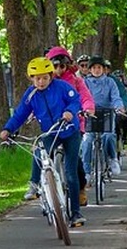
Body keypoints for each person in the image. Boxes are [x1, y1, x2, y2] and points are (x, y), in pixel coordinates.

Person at [0, 57, 86, 228]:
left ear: (51, 76)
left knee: (70, 173)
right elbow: (20, 114)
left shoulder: (62, 87)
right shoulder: (31, 94)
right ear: (31, 78)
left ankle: (75, 213)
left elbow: (75, 100)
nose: (41, 81)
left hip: (69, 131)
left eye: (45, 77)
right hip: (50, 132)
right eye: (37, 78)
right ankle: (35, 184)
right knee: (39, 151)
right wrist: (8, 129)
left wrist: (70, 111)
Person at [45, 46, 94, 206]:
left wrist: (87, 108)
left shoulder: (76, 80)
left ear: (67, 65)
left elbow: (85, 97)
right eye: (55, 66)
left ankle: (80, 188)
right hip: (52, 126)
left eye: (62, 66)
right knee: (45, 157)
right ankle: (45, 187)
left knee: (74, 161)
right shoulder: (45, 82)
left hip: (74, 125)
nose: (59, 70)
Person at [81, 56, 124, 176]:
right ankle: (87, 171)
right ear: (90, 70)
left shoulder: (110, 82)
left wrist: (119, 106)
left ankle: (112, 159)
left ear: (104, 69)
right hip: (90, 114)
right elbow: (82, 98)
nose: (96, 70)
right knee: (87, 140)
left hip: (107, 113)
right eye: (94, 67)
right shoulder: (85, 82)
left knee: (109, 135)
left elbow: (115, 97)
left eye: (99, 67)